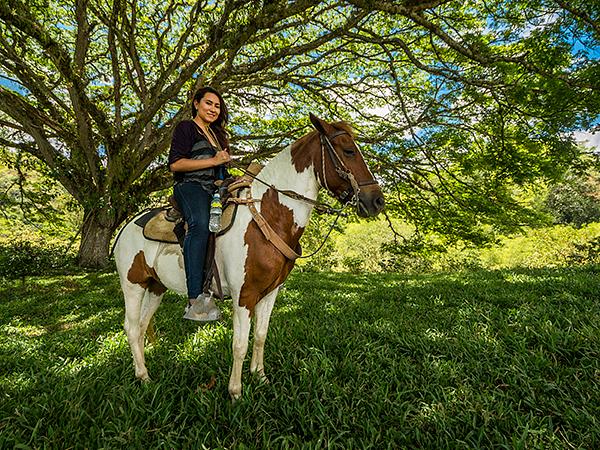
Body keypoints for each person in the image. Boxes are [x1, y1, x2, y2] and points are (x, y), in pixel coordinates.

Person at [168, 87, 231, 321]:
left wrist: (232, 178)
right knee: (201, 224)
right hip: (190, 186)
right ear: (196, 103)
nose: (213, 109)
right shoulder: (186, 128)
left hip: (214, 190)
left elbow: (220, 172)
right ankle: (195, 299)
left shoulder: (219, 136)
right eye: (209, 103)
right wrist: (214, 160)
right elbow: (175, 164)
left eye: (217, 106)